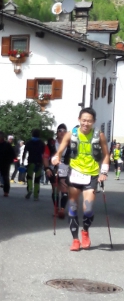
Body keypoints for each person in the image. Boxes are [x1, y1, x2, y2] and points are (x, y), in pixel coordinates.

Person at [51, 107, 110, 250]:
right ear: (79, 120)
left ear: (93, 122)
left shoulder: (99, 135)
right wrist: (56, 158)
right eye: (83, 120)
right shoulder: (72, 134)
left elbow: (106, 155)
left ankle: (85, 231)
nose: (86, 123)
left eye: (89, 121)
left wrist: (104, 172)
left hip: (92, 174)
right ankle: (75, 240)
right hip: (75, 173)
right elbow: (60, 151)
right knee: (73, 207)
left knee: (88, 209)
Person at [22, 128, 44, 200]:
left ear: (32, 134)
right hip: (39, 163)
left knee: (29, 177)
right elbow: (44, 154)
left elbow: (25, 152)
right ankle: (36, 195)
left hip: (31, 162)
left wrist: (22, 161)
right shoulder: (42, 143)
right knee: (37, 179)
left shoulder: (29, 142)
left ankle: (30, 188)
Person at [53, 123, 69, 218]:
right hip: (53, 168)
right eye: (60, 130)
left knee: (64, 188)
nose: (62, 132)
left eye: (64, 131)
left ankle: (62, 209)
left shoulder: (70, 143)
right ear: (57, 132)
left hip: (65, 168)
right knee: (55, 189)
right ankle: (56, 207)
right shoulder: (52, 143)